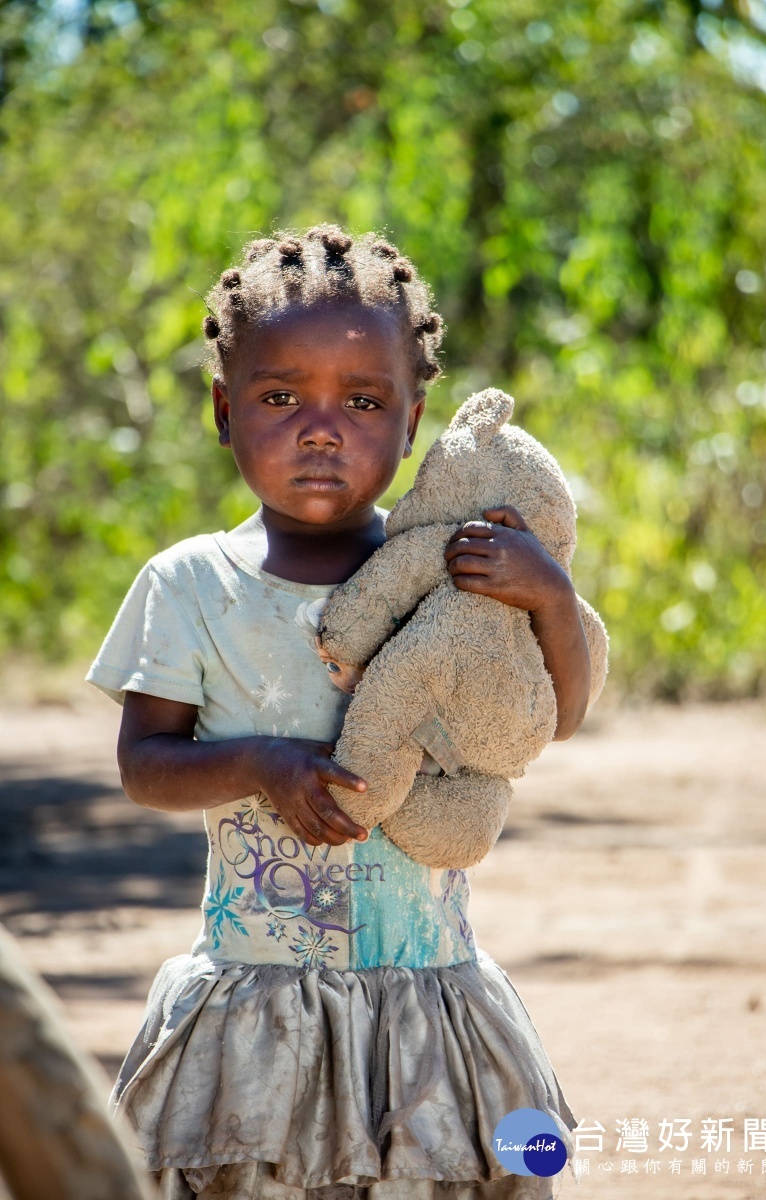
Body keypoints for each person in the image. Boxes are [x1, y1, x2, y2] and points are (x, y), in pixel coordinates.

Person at [86, 224, 593, 1200]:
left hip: (427, 1003)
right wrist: (261, 765)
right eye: (281, 399)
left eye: (361, 403)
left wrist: (551, 601)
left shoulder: (459, 574)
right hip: (254, 1011)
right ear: (224, 412)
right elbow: (145, 762)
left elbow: (555, 718)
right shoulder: (190, 585)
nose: (321, 430)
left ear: (411, 425)